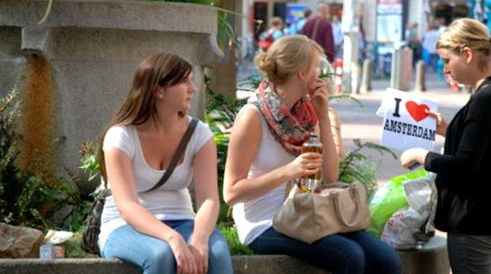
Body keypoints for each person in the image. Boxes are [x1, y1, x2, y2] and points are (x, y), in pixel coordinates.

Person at [223, 35, 401, 274]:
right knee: (349, 256)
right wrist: (289, 171)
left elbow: (329, 176)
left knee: (387, 259)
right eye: (316, 67)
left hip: (307, 213)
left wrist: (322, 115)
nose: (321, 74)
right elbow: (232, 193)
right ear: (301, 73)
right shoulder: (252, 116)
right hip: (263, 222)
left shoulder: (305, 114)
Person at [98, 53, 233, 274]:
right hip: (124, 227)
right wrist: (173, 238)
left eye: (192, 80)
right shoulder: (121, 136)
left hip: (182, 219)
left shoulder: (199, 134)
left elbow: (209, 199)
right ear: (159, 90)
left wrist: (198, 240)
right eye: (184, 81)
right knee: (161, 254)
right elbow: (127, 207)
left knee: (215, 254)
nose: (193, 88)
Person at [400, 18, 491, 274]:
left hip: (474, 221)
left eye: (446, 60)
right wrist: (450, 131)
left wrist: (422, 156)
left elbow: (465, 164)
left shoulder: (485, 98)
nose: (445, 69)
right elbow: (487, 146)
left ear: (467, 54)